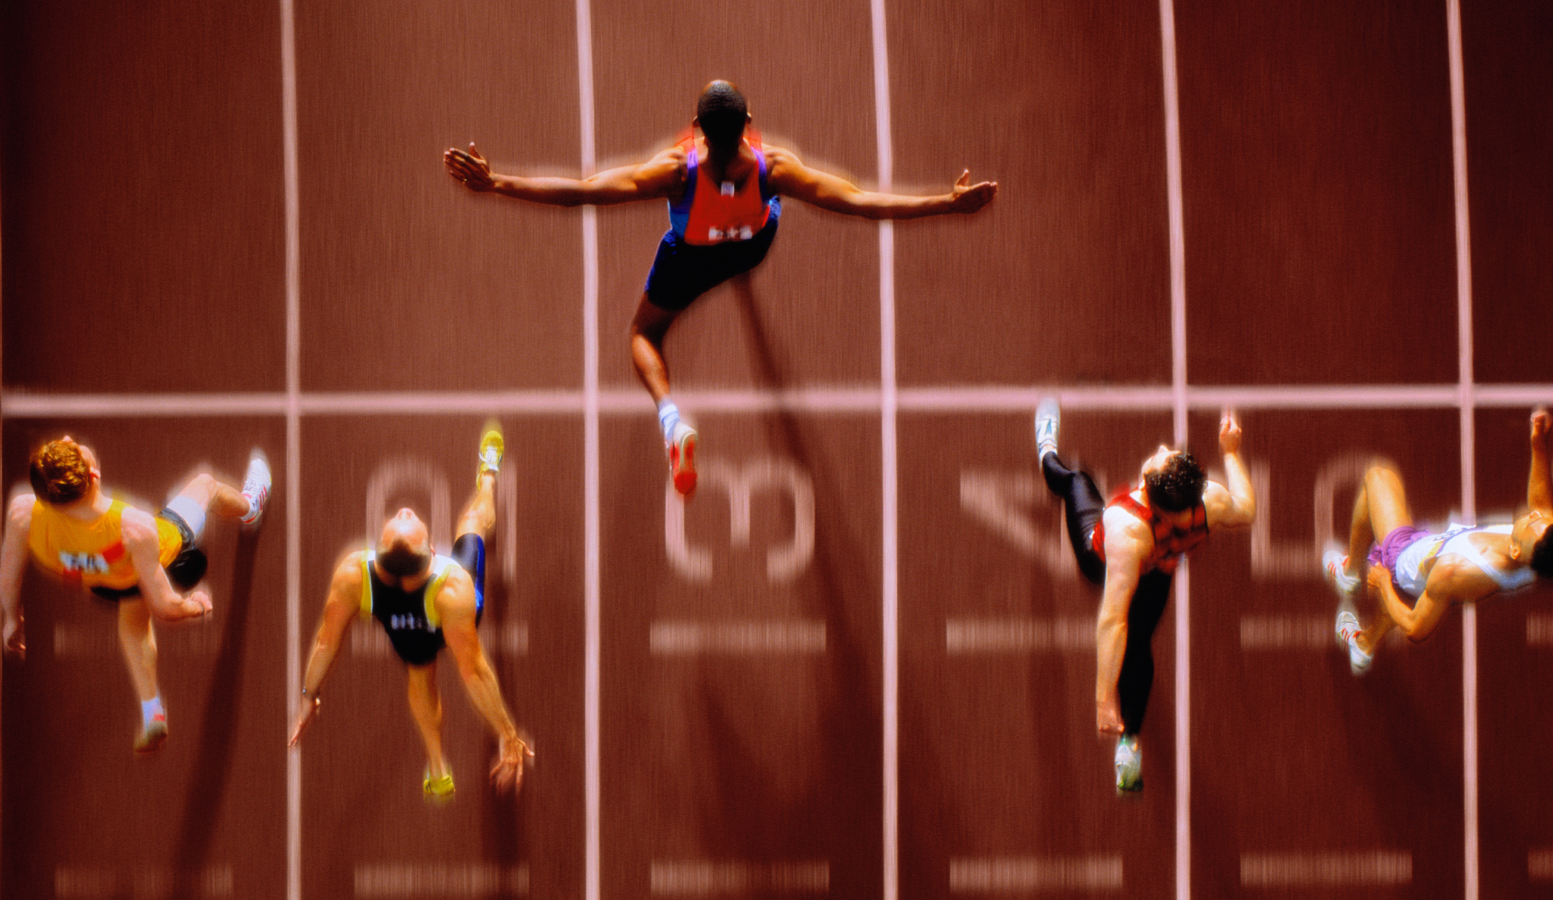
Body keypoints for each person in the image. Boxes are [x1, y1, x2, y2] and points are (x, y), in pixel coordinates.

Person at [444, 80, 997, 497]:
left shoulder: (674, 172)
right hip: (750, 243)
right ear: (750, 122)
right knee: (760, 231)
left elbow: (583, 192)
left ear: (696, 126)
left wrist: (497, 184)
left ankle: (671, 419)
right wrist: (947, 203)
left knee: (643, 333)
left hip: (690, 258)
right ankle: (739, 271)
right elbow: (862, 203)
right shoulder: (773, 168)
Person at [289, 426, 534, 798]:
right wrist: (508, 733)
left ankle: (437, 768)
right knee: (469, 525)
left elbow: (327, 641)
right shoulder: (452, 586)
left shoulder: (355, 575)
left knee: (420, 676)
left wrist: (309, 695)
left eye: (402, 518)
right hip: (436, 615)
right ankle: (488, 476)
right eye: (406, 519)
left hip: (414, 623)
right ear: (433, 552)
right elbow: (473, 671)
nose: (404, 509)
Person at [1032, 400, 1256, 793]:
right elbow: (1247, 508)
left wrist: (1104, 700)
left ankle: (1047, 452)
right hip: (1154, 571)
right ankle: (1129, 742)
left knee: (1076, 481)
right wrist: (1232, 453)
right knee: (1139, 647)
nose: (1162, 450)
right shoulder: (1213, 502)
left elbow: (1112, 619)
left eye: (1160, 459)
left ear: (1151, 497)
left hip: (1107, 561)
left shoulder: (1125, 527)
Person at [0, 436, 271, 752]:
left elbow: (8, 575)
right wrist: (194, 606)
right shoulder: (134, 526)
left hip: (104, 582)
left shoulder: (22, 514)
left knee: (133, 625)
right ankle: (251, 507)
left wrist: (10, 618)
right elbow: (166, 607)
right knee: (206, 485)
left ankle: (151, 710)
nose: (68, 438)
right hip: (168, 558)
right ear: (93, 475)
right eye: (73, 449)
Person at [1323, 409, 1553, 674]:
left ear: (1516, 551)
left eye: (1533, 522)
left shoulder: (1454, 570)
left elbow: (1415, 628)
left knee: (1377, 477)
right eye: (1543, 519)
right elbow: (1543, 507)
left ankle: (1351, 573)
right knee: (1427, 594)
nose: (1536, 515)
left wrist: (1382, 583)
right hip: (1437, 556)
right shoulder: (1544, 556)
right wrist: (1538, 445)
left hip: (1405, 558)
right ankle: (1365, 644)